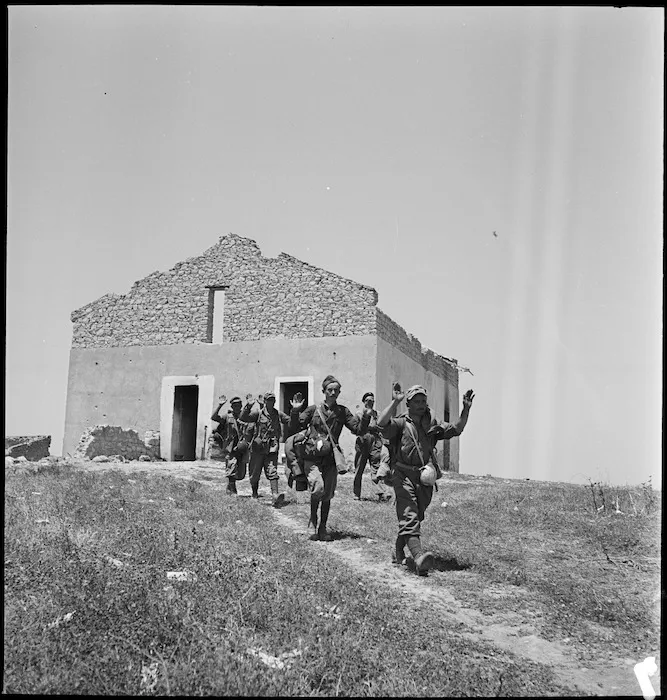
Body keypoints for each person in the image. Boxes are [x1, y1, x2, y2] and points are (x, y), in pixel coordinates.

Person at [378, 383, 475, 576]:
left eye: (424, 401)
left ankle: (398, 550)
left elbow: (456, 429)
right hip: (403, 475)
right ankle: (418, 556)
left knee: (417, 514)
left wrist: (465, 410)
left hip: (423, 478)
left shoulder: (432, 424)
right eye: (417, 401)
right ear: (409, 403)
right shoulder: (400, 423)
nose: (421, 404)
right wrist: (394, 402)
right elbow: (381, 423)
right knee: (409, 514)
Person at [289, 375, 372, 541]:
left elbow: (358, 430)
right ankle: (313, 519)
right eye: (330, 390)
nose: (333, 393)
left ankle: (322, 527)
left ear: (339, 392)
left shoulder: (342, 412)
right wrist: (295, 410)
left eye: (336, 390)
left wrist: (366, 415)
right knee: (318, 488)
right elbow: (295, 425)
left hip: (330, 458)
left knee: (327, 495)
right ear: (324, 391)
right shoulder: (313, 410)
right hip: (312, 456)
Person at [240, 392, 291, 506]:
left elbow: (290, 421)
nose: (271, 402)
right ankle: (254, 493)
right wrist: (248, 406)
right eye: (269, 400)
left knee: (272, 470)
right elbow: (243, 417)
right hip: (258, 447)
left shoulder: (278, 414)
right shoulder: (258, 414)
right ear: (265, 401)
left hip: (271, 448)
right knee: (254, 472)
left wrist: (295, 411)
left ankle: (275, 495)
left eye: (273, 400)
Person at [352, 392, 392, 502]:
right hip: (363, 440)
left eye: (372, 401)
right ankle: (356, 493)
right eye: (368, 401)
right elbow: (355, 429)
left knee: (376, 467)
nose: (370, 402)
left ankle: (380, 493)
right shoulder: (359, 414)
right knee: (359, 468)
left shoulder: (377, 414)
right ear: (363, 402)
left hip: (375, 441)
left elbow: (382, 426)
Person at [210, 394, 251, 495]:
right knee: (231, 467)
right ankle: (232, 491)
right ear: (232, 407)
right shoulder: (227, 417)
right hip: (231, 447)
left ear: (241, 406)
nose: (237, 407)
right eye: (234, 405)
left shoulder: (245, 416)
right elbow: (214, 417)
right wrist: (220, 405)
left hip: (242, 447)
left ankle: (229, 487)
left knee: (241, 474)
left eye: (238, 405)